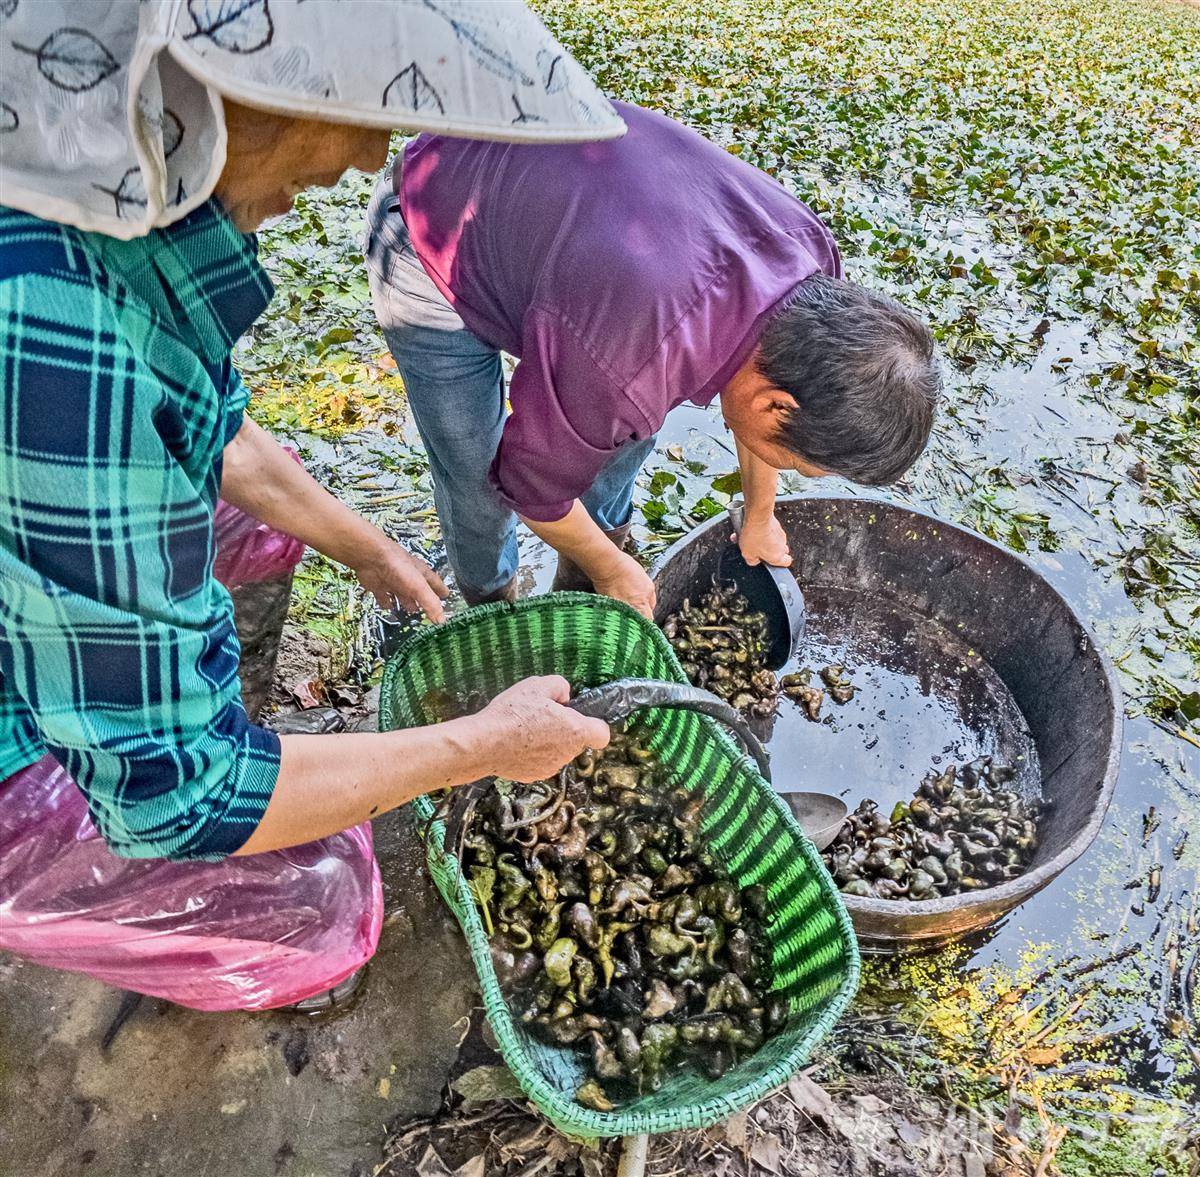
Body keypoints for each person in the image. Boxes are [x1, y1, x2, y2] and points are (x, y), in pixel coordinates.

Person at [0, 0, 621, 1012]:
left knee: (259, 530)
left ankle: (198, 705)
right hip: (20, 731)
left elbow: (207, 425)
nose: (369, 154)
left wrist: (367, 548)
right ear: (215, 83)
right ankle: (133, 775)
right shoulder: (53, 325)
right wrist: (482, 745)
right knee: (321, 902)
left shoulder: (81, 196)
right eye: (350, 109)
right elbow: (181, 797)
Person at [366, 101, 941, 615]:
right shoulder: (630, 361)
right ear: (776, 406)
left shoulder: (810, 276)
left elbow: (769, 399)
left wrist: (760, 515)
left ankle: (585, 577)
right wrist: (613, 569)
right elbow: (528, 486)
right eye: (794, 465)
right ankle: (491, 601)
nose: (786, 468)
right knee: (477, 475)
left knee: (620, 436)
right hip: (435, 215)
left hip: (572, 244)